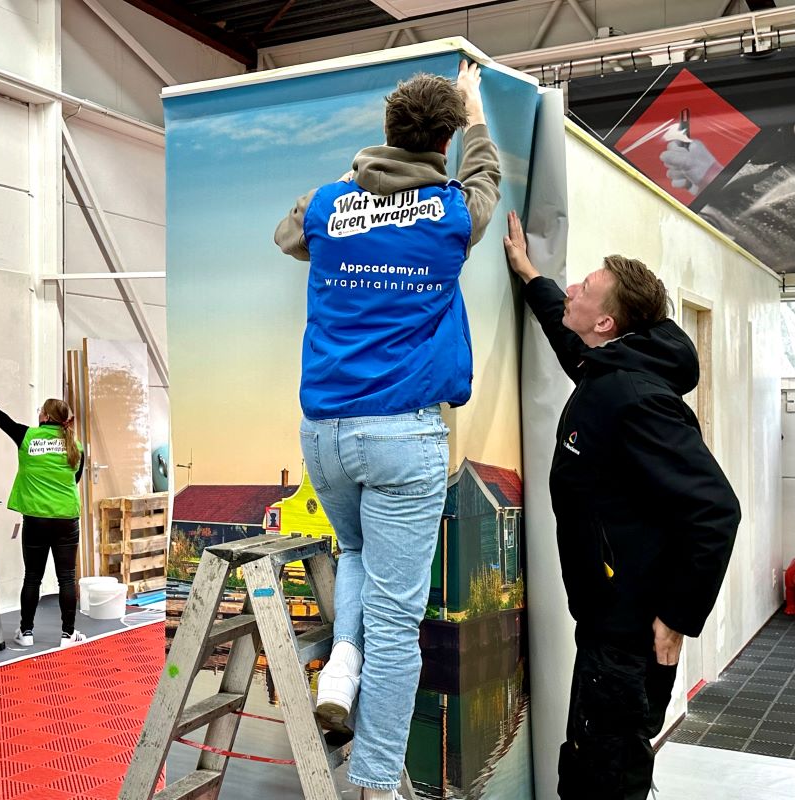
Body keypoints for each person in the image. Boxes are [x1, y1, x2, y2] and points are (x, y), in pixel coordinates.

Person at [274, 62, 500, 800]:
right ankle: (374, 785)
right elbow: (487, 176)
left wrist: (359, 182)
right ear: (444, 139)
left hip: (325, 435)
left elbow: (287, 234)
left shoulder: (329, 203)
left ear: (384, 134)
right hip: (402, 438)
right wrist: (476, 116)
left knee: (359, 553)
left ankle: (341, 666)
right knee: (400, 627)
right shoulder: (452, 214)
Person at [502, 211, 741, 800]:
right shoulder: (611, 362)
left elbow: (715, 509)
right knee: (588, 763)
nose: (574, 289)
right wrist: (531, 275)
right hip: (609, 620)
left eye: (583, 287)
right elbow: (569, 336)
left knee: (608, 777)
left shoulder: (633, 398)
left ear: (606, 322)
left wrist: (679, 618)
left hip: (629, 631)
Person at [0, 396, 87, 650]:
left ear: (46, 417)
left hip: (36, 520)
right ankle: (68, 635)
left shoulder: (27, 437)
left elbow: (5, 423)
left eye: (41, 409)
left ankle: (26, 632)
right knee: (67, 578)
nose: (38, 412)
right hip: (66, 519)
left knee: (32, 577)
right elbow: (75, 480)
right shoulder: (75, 445)